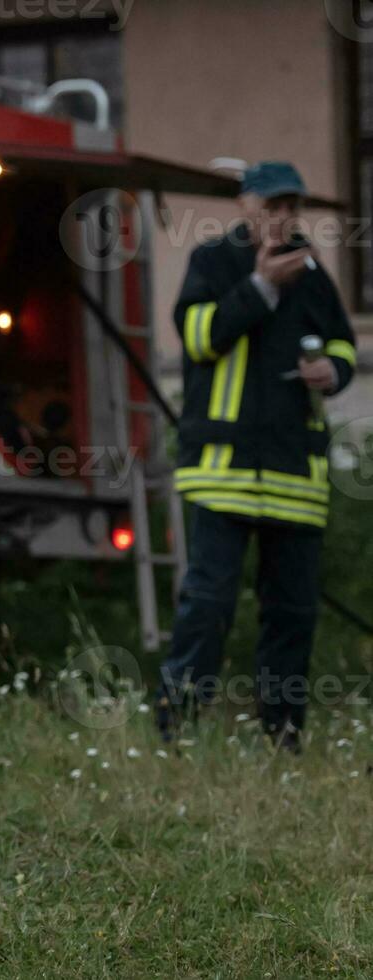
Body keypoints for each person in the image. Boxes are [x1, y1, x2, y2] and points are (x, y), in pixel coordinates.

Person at [155, 161, 359, 751]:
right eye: (271, 205)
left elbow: (344, 341)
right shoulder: (213, 262)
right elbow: (196, 338)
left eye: (291, 206)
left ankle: (283, 733)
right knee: (208, 603)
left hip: (296, 475)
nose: (282, 217)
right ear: (245, 205)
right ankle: (177, 727)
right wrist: (262, 287)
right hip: (223, 473)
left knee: (292, 614)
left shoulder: (315, 275)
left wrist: (336, 369)